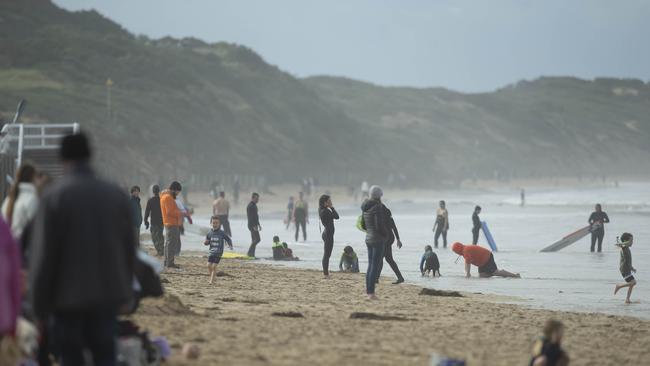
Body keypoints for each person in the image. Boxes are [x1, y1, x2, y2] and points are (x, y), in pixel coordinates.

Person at [29, 133, 136, 365]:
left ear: (62, 158)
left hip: (66, 300)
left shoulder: (54, 197)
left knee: (71, 357)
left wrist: (38, 305)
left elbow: (43, 255)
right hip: (107, 295)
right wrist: (127, 290)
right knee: (105, 356)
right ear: (90, 155)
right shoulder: (115, 194)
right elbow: (129, 248)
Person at [361, 185, 389, 300]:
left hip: (368, 238)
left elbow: (363, 224)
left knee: (370, 265)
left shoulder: (365, 207)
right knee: (375, 266)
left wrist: (370, 231)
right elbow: (379, 225)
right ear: (379, 196)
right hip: (377, 239)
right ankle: (371, 293)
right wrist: (386, 234)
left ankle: (369, 291)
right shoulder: (378, 207)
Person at [1, 163, 38, 240]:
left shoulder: (9, 199)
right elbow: (37, 228)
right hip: (24, 247)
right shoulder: (32, 199)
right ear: (32, 177)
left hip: (9, 246)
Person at [452, 242, 520, 278]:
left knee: (495, 272)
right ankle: (503, 278)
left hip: (487, 258)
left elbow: (468, 263)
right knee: (482, 276)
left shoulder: (465, 250)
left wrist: (467, 274)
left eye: (455, 251)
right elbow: (467, 263)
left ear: (457, 250)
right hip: (482, 262)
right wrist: (467, 273)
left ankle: (515, 276)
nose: (456, 253)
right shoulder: (464, 250)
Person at [204, 216, 232, 285]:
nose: (215, 224)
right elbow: (207, 241)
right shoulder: (209, 233)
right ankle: (213, 278)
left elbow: (228, 239)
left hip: (218, 252)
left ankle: (212, 281)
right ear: (211, 223)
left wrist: (229, 245)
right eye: (213, 223)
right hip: (211, 252)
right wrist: (206, 243)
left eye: (216, 223)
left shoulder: (222, 233)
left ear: (219, 224)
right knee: (208, 265)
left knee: (214, 266)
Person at [161, 182, 183, 268]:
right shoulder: (168, 197)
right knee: (171, 244)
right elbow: (170, 212)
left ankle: (167, 262)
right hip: (171, 223)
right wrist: (180, 213)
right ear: (174, 189)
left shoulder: (165, 196)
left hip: (168, 222)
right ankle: (169, 263)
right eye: (178, 192)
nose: (178, 194)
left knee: (168, 243)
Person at [318, 194, 339, 277]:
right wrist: (332, 208)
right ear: (325, 202)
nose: (331, 202)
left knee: (327, 254)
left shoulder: (322, 209)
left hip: (326, 233)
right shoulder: (325, 211)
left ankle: (326, 272)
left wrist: (330, 207)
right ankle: (326, 274)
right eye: (329, 201)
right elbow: (337, 217)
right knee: (327, 255)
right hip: (328, 235)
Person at [383, 207, 404, 284]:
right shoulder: (389, 218)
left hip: (386, 239)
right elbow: (394, 228)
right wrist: (398, 239)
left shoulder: (381, 218)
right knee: (388, 259)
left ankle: (375, 278)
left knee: (381, 259)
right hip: (390, 238)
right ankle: (400, 277)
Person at [614, 232, 636, 304]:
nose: (632, 242)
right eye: (631, 241)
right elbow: (619, 244)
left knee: (631, 284)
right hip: (624, 269)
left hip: (627, 268)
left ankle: (627, 299)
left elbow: (628, 259)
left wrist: (631, 267)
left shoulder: (626, 247)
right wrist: (621, 243)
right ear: (626, 241)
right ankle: (619, 286)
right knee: (633, 282)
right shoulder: (624, 247)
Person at [144, 185, 164, 256]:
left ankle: (160, 251)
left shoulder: (150, 200)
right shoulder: (162, 200)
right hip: (161, 222)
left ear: (153, 191)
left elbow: (147, 212)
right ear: (159, 191)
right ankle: (161, 251)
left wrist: (146, 221)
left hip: (154, 222)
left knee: (154, 237)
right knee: (160, 236)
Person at [247, 193, 261, 257]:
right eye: (256, 199)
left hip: (254, 225)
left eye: (258, 199)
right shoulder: (250, 206)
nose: (257, 200)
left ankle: (252, 254)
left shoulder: (254, 205)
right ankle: (249, 252)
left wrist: (259, 224)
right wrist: (254, 226)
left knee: (254, 240)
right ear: (252, 198)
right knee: (258, 239)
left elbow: (256, 216)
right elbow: (251, 217)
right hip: (252, 225)